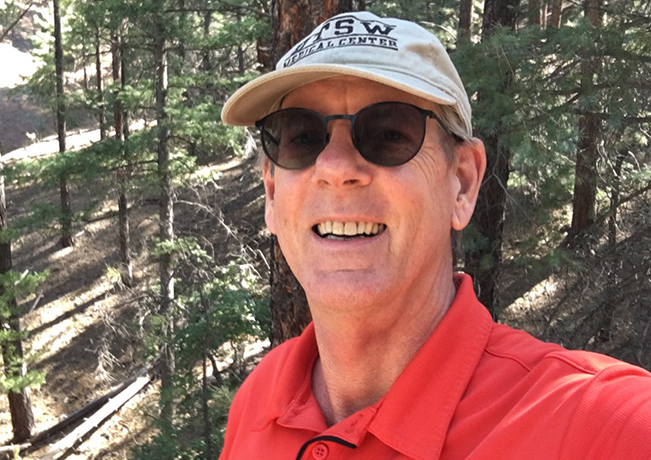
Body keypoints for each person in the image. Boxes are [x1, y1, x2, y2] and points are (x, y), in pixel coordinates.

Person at [219, 11, 651, 460]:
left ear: (462, 183)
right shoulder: (259, 400)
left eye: (388, 133)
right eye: (302, 137)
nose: (335, 167)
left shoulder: (604, 426)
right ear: (271, 191)